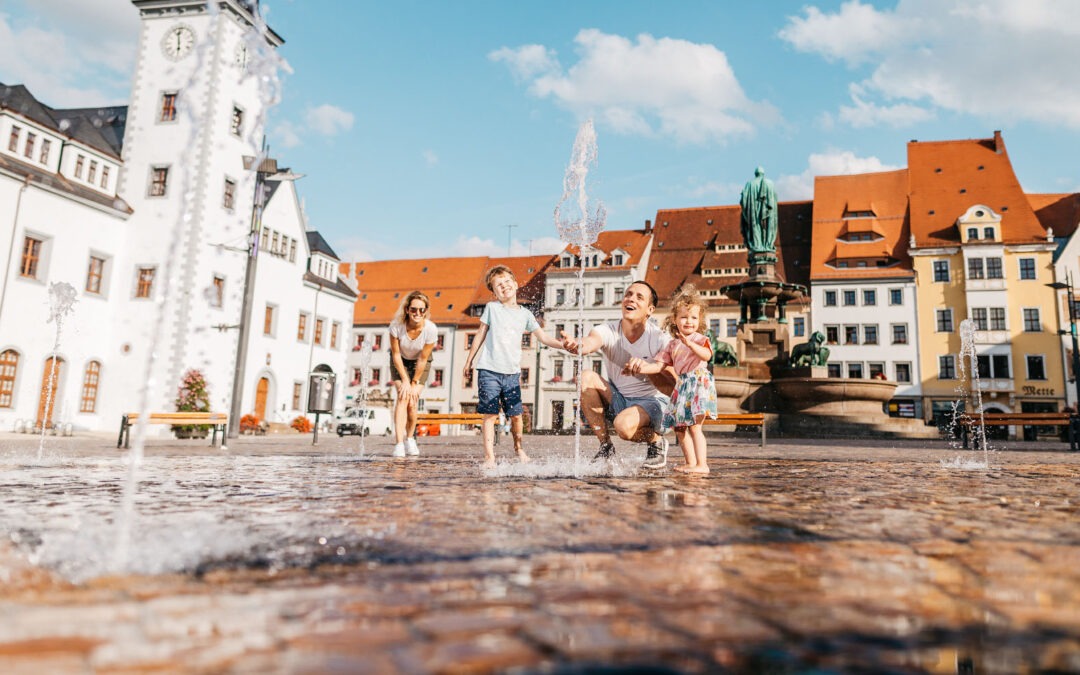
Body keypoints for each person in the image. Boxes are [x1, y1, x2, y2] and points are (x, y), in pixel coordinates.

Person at [560, 281, 674, 468]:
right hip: (619, 397)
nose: (631, 299)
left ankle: (656, 441)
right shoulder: (608, 330)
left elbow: (673, 388)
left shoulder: (660, 339)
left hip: (653, 403)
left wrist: (648, 369)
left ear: (650, 309)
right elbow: (591, 341)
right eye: (628, 294)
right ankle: (606, 447)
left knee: (623, 427)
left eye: (639, 297)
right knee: (586, 376)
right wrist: (577, 345)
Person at [463, 265, 566, 466]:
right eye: (498, 285)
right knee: (490, 414)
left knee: (516, 415)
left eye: (507, 282)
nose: (504, 286)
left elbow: (543, 337)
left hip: (511, 373)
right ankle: (489, 457)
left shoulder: (526, 314)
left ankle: (519, 449)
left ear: (516, 284)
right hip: (489, 370)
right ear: (494, 293)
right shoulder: (492, 308)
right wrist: (469, 360)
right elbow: (480, 334)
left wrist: (565, 345)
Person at [630, 288, 717, 474]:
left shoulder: (700, 339)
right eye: (684, 317)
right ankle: (691, 463)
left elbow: (707, 356)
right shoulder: (672, 344)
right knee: (680, 428)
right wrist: (640, 368)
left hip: (697, 384)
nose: (689, 321)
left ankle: (702, 464)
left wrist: (690, 344)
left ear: (699, 321)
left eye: (694, 318)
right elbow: (658, 366)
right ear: (675, 320)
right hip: (683, 385)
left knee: (694, 427)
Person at [389, 291, 437, 457]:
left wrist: (414, 382)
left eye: (422, 310)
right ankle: (399, 444)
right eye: (414, 309)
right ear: (407, 310)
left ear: (426, 311)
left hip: (420, 363)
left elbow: (423, 359)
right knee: (402, 396)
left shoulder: (430, 329)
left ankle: (410, 438)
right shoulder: (396, 326)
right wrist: (404, 380)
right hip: (400, 361)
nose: (418, 313)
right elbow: (395, 355)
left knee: (413, 401)